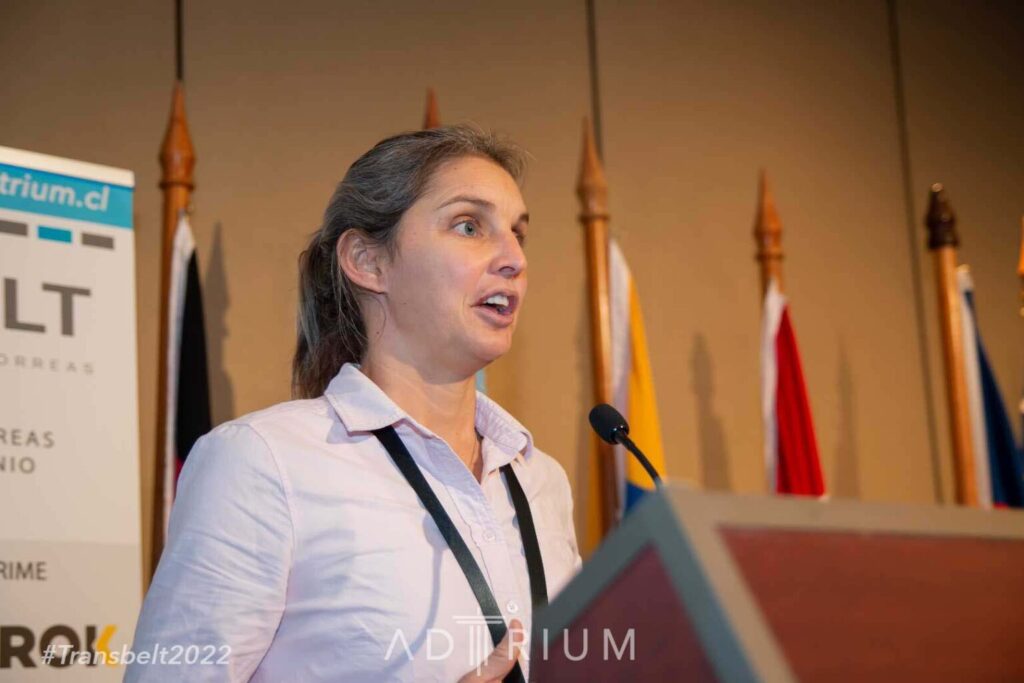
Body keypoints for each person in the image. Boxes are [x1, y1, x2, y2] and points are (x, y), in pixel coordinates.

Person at [127, 125, 582, 682]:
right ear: (368, 261)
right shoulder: (263, 464)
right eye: (469, 225)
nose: (514, 258)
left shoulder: (541, 480)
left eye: (518, 233)